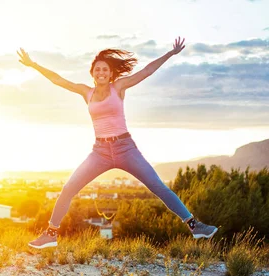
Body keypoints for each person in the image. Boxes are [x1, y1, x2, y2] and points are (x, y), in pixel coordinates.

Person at [17, 37, 218, 249]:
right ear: (92, 73)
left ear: (111, 73)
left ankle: (195, 226)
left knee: (157, 186)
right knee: (68, 188)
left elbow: (145, 72)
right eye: (97, 70)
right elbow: (59, 80)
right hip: (100, 151)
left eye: (105, 70)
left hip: (125, 148)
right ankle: (50, 235)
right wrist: (34, 65)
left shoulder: (119, 87)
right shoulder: (87, 92)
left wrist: (169, 54)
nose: (101, 73)